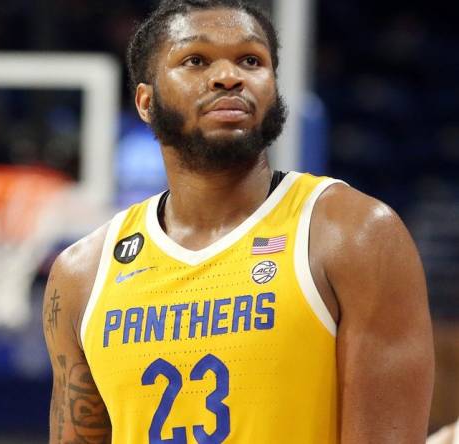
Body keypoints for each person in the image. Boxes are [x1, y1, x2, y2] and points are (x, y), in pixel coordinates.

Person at [42, 1, 434, 443]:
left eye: (252, 60)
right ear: (146, 102)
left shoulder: (354, 235)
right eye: (196, 60)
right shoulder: (83, 273)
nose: (230, 76)